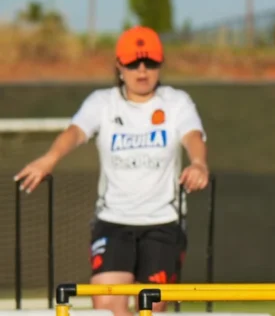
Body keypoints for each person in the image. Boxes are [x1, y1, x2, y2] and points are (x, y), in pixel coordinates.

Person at [14, 26, 210, 316]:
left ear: (160, 65)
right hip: (114, 221)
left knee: (152, 307)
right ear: (119, 66)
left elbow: (193, 136)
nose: (142, 71)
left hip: (163, 222)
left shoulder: (176, 101)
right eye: (133, 63)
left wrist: (198, 163)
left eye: (150, 63)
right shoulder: (102, 103)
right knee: (107, 307)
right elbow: (75, 132)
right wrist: (50, 158)